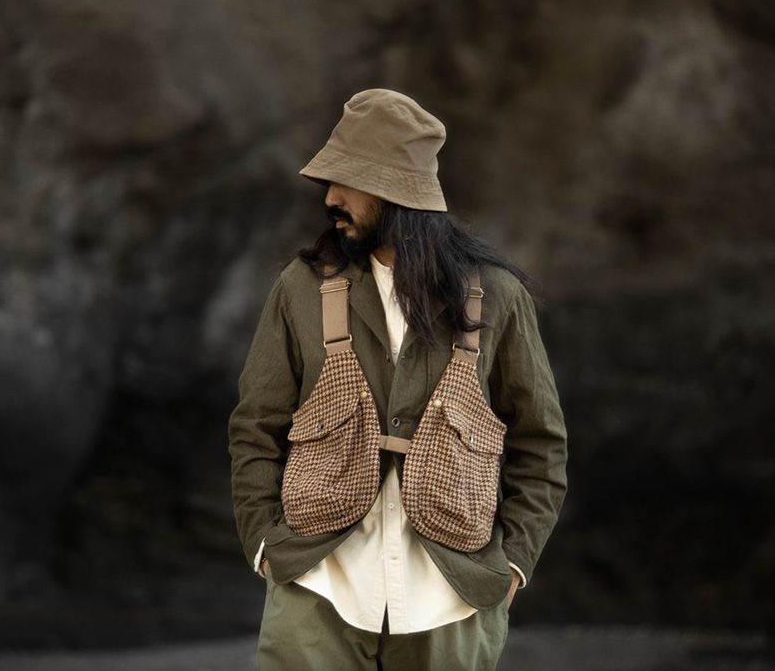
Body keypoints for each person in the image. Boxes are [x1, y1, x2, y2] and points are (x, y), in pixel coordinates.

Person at [228, 88, 568, 670]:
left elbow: (541, 442)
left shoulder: (499, 297)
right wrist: (264, 544)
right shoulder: (300, 289)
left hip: (452, 596)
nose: (330, 198)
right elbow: (256, 426)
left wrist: (513, 563)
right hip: (317, 583)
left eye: (347, 182)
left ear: (397, 193)